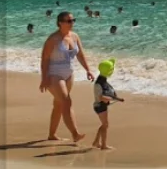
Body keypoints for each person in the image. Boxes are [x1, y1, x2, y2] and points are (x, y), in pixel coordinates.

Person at [39, 12, 92, 143]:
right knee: (66, 101)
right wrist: (44, 78)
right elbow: (45, 59)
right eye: (68, 21)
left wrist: (88, 70)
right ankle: (75, 133)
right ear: (60, 23)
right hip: (54, 74)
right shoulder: (53, 39)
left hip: (69, 74)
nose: (72, 23)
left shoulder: (74, 36)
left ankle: (52, 135)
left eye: (73, 20)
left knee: (59, 104)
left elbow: (80, 55)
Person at [91, 59, 123, 150]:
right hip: (99, 106)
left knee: (104, 124)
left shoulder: (103, 81)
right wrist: (110, 98)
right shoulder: (99, 83)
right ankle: (103, 145)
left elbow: (108, 93)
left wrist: (117, 98)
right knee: (105, 125)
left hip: (102, 106)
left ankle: (96, 142)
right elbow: (101, 97)